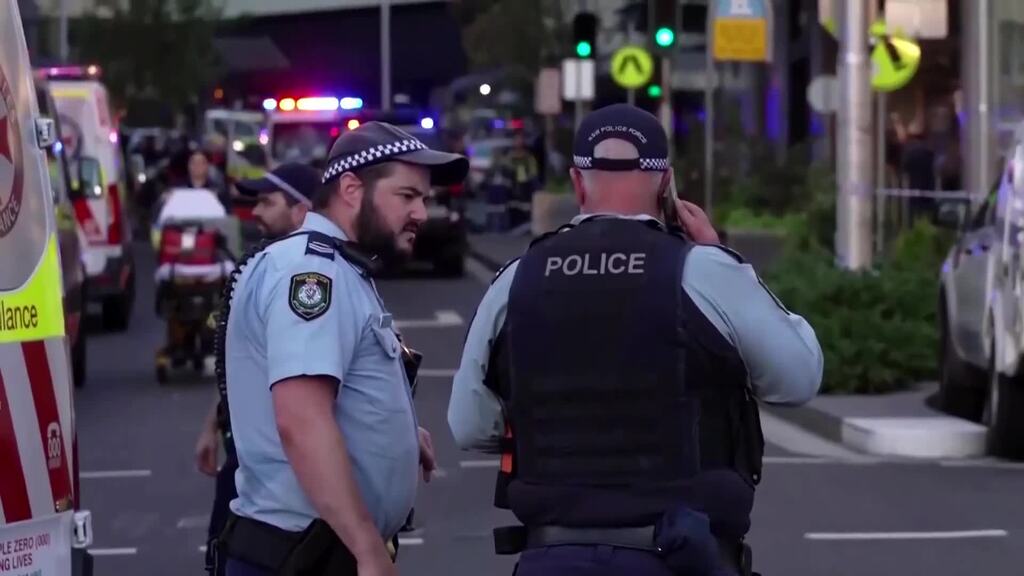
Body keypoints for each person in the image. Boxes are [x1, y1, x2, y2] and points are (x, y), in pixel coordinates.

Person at [448, 104, 823, 576]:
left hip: (553, 558)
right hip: (680, 556)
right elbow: (798, 378)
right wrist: (726, 262)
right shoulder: (703, 271)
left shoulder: (516, 279)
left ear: (578, 182)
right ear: (667, 184)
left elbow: (467, 425)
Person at [215, 121, 468, 576]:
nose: (422, 214)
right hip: (305, 555)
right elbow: (302, 420)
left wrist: (399, 433)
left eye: (424, 199)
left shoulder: (340, 267)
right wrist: (367, 550)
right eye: (408, 196)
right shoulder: (315, 276)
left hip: (315, 551)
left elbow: (340, 390)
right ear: (352, 188)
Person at [194, 162, 321, 576]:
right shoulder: (262, 267)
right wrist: (212, 424)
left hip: (283, 486)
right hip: (245, 460)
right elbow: (245, 365)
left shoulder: (308, 279)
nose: (256, 212)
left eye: (267, 202)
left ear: (301, 210)